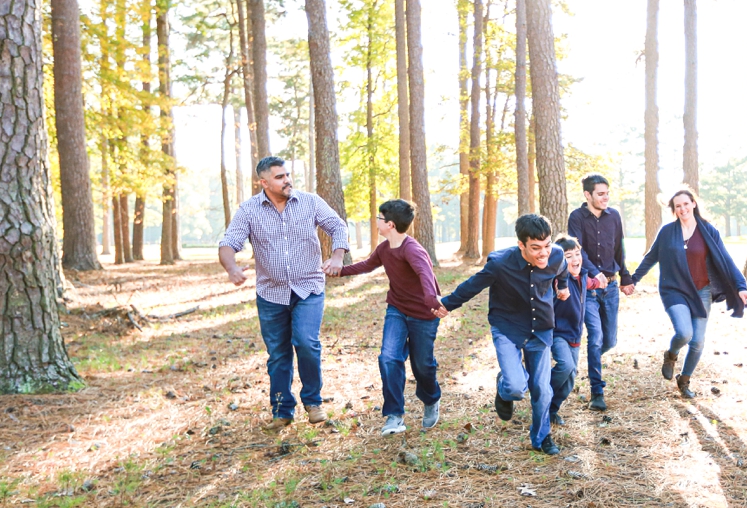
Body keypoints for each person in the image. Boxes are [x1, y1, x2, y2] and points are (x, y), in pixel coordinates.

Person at [218, 153, 348, 432]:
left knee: (305, 342)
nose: (287, 180)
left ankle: (313, 402)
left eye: (287, 175)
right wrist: (231, 269)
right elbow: (228, 243)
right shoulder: (250, 210)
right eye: (279, 177)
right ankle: (282, 410)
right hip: (271, 294)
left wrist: (337, 257)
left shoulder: (310, 202)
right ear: (264, 182)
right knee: (278, 354)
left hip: (309, 288)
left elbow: (337, 226)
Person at [437, 214, 569, 455]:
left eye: (547, 245)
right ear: (521, 245)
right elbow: (472, 285)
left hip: (541, 328)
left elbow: (563, 270)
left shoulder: (557, 254)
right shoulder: (500, 263)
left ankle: (541, 438)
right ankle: (503, 386)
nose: (543, 253)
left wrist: (563, 287)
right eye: (536, 248)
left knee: (541, 388)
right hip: (508, 327)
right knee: (517, 387)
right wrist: (446, 304)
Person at [626, 186, 747, 401]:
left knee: (698, 341)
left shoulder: (708, 230)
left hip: (701, 291)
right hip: (674, 290)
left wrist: (741, 287)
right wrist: (633, 279)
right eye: (678, 206)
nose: (682, 208)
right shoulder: (667, 232)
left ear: (693, 203)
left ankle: (684, 380)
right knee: (685, 333)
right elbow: (651, 257)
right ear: (674, 210)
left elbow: (726, 259)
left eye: (686, 204)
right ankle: (671, 354)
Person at [334, 198, 444, 438]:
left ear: (391, 224)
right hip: (396, 309)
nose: (377, 222)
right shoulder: (385, 249)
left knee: (422, 365)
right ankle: (394, 415)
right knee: (389, 357)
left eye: (380, 219)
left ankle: (431, 398)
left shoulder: (412, 249)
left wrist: (431, 300)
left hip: (424, 315)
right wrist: (340, 270)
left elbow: (426, 274)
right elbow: (366, 265)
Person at [568, 175, 633, 410]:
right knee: (594, 338)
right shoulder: (576, 217)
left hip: (612, 288)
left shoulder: (614, 216)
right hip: (588, 289)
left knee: (609, 341)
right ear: (588, 195)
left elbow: (619, 248)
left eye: (607, 193)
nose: (605, 198)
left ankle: (592, 358)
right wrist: (595, 273)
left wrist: (625, 277)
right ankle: (597, 392)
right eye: (600, 194)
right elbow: (578, 251)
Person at [550, 233, 590, 425]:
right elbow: (556, 287)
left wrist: (600, 281)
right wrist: (558, 289)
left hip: (575, 334)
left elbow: (591, 283)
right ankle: (541, 390)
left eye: (577, 254)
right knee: (565, 366)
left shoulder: (583, 276)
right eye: (568, 256)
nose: (575, 259)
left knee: (570, 380)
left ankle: (552, 409)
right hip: (558, 333)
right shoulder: (559, 280)